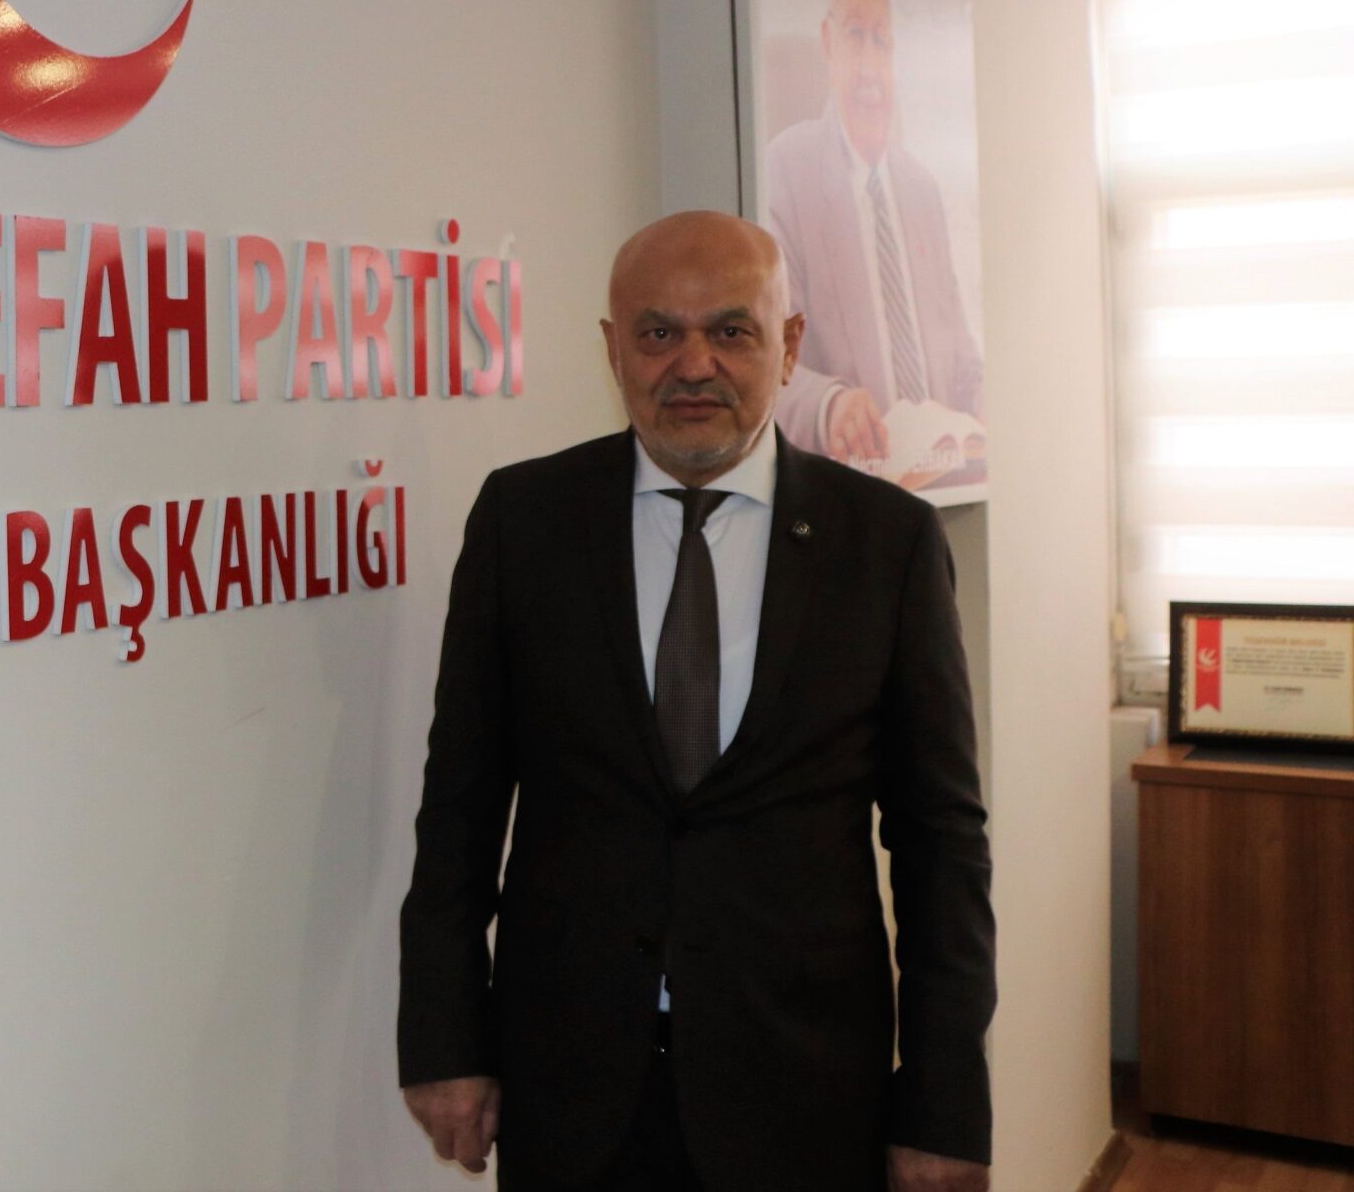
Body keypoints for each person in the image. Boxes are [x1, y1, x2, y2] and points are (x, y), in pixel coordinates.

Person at [398, 211, 993, 1191]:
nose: (692, 364)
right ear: (612, 346)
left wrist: (943, 1100)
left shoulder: (885, 544)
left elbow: (941, 841)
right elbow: (458, 804)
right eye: (658, 332)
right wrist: (443, 1037)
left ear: (789, 345)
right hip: (571, 1083)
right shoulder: (523, 522)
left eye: (730, 330)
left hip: (804, 1086)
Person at [764, 0, 983, 466]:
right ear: (827, 42)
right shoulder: (786, 170)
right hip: (847, 487)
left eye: (881, 40)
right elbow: (763, 360)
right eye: (855, 34)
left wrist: (987, 400)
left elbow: (961, 360)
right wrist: (829, 406)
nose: (869, 66)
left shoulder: (922, 189)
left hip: (939, 484)